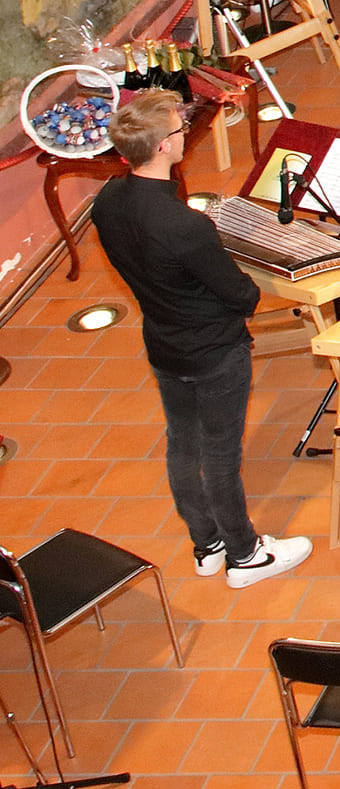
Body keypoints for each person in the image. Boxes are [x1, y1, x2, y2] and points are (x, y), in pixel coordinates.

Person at [90, 91, 312, 587]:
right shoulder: (185, 226)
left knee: (182, 445)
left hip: (164, 342)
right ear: (164, 147)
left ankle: (206, 544)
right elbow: (239, 295)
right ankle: (245, 554)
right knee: (220, 454)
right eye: (179, 128)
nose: (185, 132)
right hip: (214, 351)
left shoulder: (107, 201)